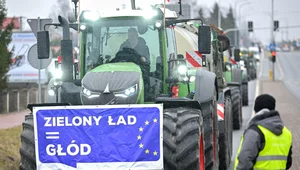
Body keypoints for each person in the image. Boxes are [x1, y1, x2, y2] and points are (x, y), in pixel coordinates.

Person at [234, 94, 293, 170]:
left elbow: (244, 161)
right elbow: (288, 163)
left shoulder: (255, 132)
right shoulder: (286, 133)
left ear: (256, 110)